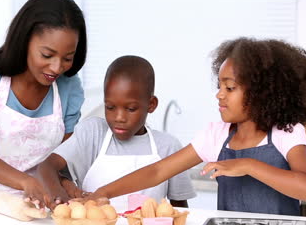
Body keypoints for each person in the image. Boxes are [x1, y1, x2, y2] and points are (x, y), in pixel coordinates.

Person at [88, 37, 306, 216]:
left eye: (230, 88)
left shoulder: (286, 132)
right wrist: (103, 193)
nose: (219, 95)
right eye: (220, 86)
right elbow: (157, 172)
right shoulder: (217, 134)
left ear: (263, 93)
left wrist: (248, 165)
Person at [0, 0, 87, 208]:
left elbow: (62, 159)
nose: (56, 67)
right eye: (46, 55)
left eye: (67, 58)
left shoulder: (69, 86)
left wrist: (65, 184)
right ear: (24, 40)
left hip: (41, 205)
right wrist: (27, 181)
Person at [34, 55, 196, 210]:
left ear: (151, 104)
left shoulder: (168, 147)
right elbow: (47, 166)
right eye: (110, 107)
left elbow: (180, 210)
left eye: (130, 109)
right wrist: (57, 193)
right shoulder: (92, 133)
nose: (119, 118)